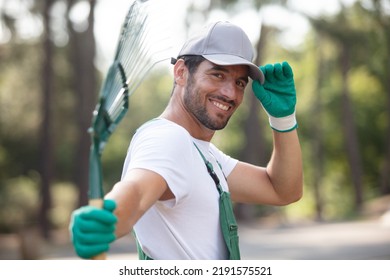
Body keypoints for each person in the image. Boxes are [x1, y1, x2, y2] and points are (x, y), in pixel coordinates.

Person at [69, 21, 303, 260]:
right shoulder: (168, 138)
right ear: (181, 72)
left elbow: (282, 191)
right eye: (217, 74)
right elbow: (137, 191)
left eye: (239, 82)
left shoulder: (205, 154)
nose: (230, 93)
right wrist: (109, 218)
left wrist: (283, 120)